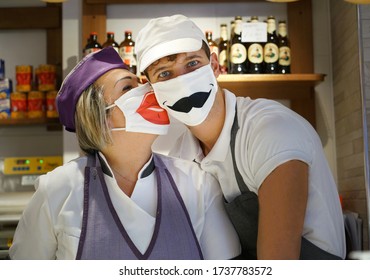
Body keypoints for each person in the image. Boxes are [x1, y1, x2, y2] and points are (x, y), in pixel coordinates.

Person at [135, 14, 346, 260]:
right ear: (150, 89)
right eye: (164, 74)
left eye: (192, 64)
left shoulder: (270, 129)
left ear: (215, 66)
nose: (182, 81)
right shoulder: (181, 153)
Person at [9, 47, 240, 260]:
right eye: (128, 87)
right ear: (99, 117)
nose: (150, 89)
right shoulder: (57, 190)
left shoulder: (198, 184)